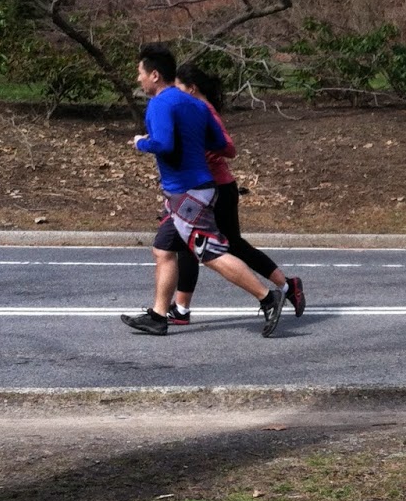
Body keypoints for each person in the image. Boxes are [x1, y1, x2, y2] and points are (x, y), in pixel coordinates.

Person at [122, 43, 285, 337]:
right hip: (194, 189)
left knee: (210, 254)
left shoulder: (160, 103)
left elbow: (164, 145)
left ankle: (268, 298)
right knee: (163, 250)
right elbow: (222, 145)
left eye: (140, 73)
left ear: (155, 75)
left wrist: (141, 142)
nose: (138, 79)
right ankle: (159, 316)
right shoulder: (197, 104)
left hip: (188, 193)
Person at [168, 63, 305, 324]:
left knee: (224, 246)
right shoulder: (197, 110)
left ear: (191, 88)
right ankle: (181, 309)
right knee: (193, 245)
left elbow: (229, 147)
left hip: (217, 189)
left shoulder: (204, 110)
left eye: (178, 88)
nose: (175, 94)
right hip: (210, 189)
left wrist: (201, 150)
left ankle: (286, 287)